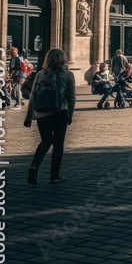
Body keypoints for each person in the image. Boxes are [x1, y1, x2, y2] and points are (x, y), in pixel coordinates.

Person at [23, 48, 76, 185]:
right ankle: (54, 175)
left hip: (42, 113)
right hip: (60, 112)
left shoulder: (40, 74)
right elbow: (71, 97)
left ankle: (34, 166)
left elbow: (33, 96)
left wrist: (29, 117)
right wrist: (70, 114)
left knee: (45, 141)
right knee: (58, 144)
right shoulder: (68, 74)